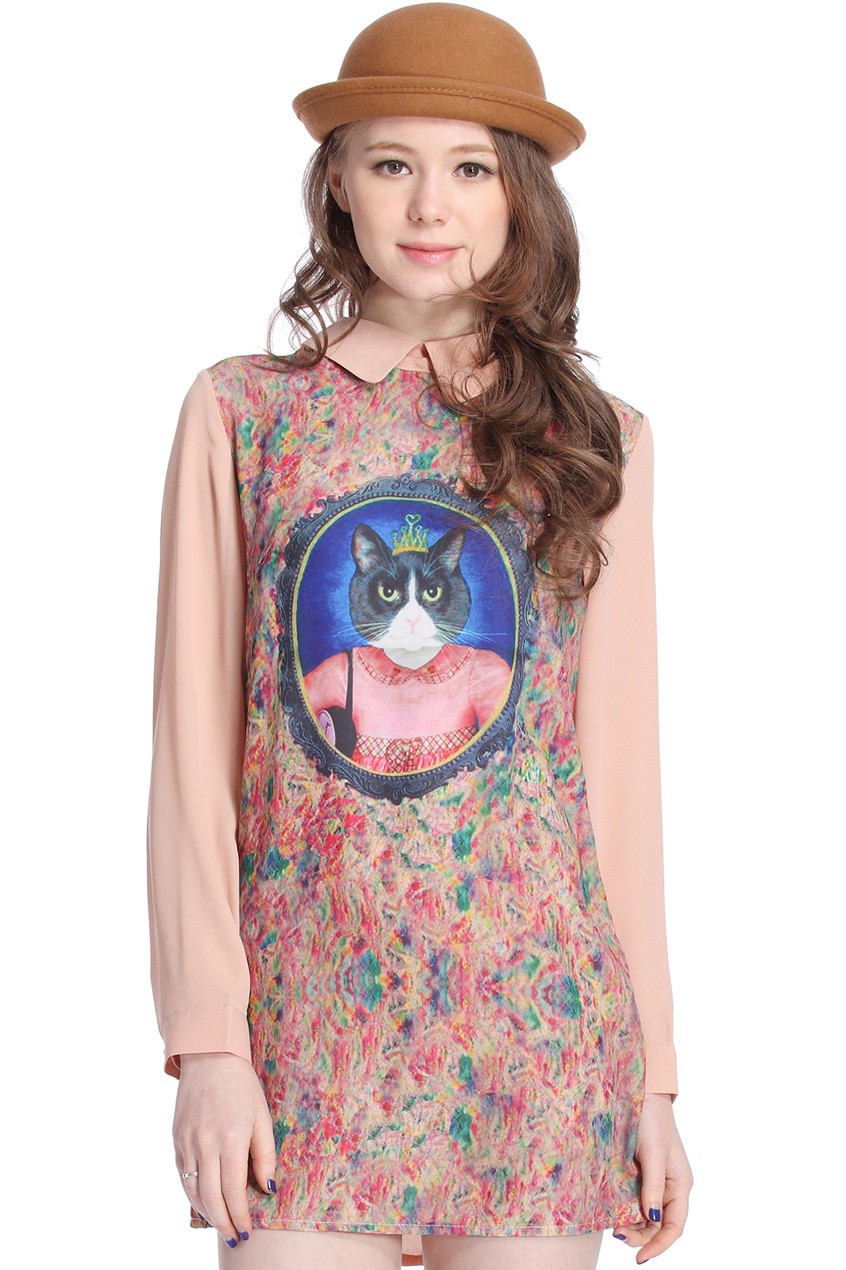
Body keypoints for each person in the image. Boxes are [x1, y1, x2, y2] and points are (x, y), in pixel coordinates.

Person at [145, 4, 693, 1268]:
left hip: (541, 1029)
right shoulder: (245, 415)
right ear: (339, 183)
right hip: (305, 1026)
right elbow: (193, 754)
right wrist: (208, 1042)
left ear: (521, 195)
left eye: (472, 168)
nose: (431, 205)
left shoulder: (599, 439)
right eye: (393, 162)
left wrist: (654, 1072)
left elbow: (615, 780)